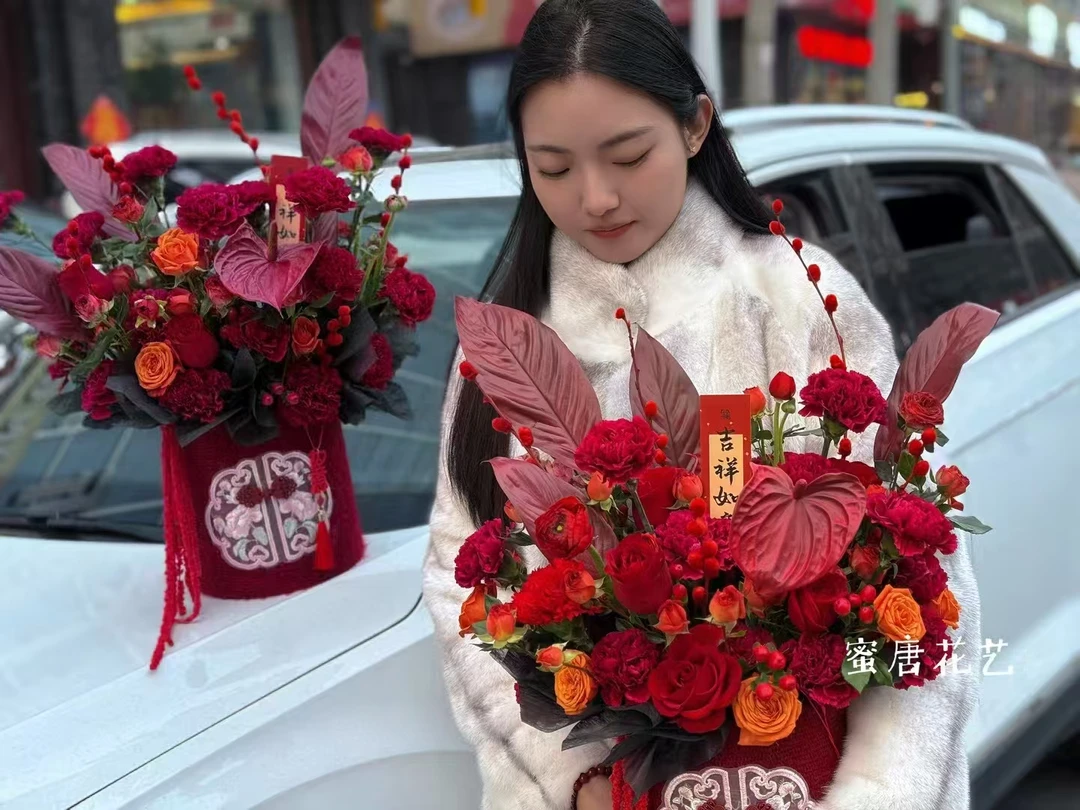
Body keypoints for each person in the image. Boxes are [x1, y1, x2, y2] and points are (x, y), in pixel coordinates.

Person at [422, 1, 981, 809]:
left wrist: (876, 792)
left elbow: (922, 593)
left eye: (627, 154)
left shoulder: (795, 300)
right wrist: (571, 782)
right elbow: (458, 583)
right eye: (553, 167)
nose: (597, 198)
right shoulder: (508, 346)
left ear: (694, 127)